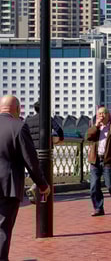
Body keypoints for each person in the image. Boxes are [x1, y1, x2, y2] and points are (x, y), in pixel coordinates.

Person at [0, 95, 50, 260]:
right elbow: (31, 161)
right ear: (17, 109)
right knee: (3, 228)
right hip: (8, 187)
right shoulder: (19, 127)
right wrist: (42, 184)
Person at [87, 106, 111, 216]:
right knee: (94, 186)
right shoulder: (94, 126)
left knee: (110, 185)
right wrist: (96, 126)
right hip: (95, 159)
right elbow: (88, 137)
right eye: (99, 114)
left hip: (108, 161)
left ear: (108, 115)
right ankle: (98, 208)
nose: (101, 116)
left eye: (103, 113)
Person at [24, 99, 64, 201]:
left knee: (36, 171)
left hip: (31, 150)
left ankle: (37, 196)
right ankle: (36, 190)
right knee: (44, 173)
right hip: (44, 150)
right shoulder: (47, 118)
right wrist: (60, 139)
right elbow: (58, 129)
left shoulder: (28, 120)